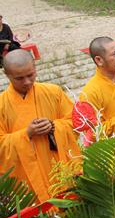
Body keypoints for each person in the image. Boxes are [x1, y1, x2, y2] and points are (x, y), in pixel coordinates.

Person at [0, 49, 79, 202]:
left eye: (30, 75)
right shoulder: (1, 105)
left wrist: (54, 126)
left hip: (60, 170)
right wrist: (26, 134)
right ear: (7, 75)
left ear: (35, 67)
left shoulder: (53, 92)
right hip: (26, 179)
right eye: (19, 78)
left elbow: (76, 123)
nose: (27, 82)